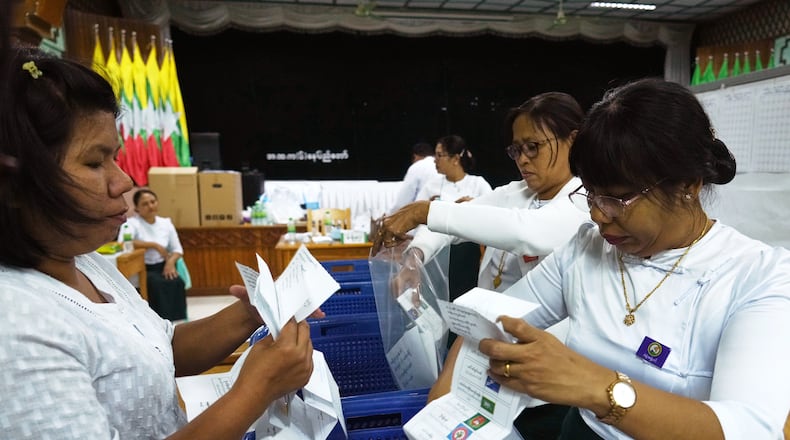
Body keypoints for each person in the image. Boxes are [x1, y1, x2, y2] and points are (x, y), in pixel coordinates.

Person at [0, 48, 317, 439]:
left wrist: (250, 313)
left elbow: (159, 348)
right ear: (14, 184)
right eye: (95, 164)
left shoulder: (84, 261)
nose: (123, 183)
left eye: (115, 159)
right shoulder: (14, 322)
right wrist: (255, 390)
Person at [474, 78, 790, 438]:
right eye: (590, 194)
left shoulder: (757, 277)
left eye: (617, 198)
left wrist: (594, 385)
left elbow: (750, 429)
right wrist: (447, 404)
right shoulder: (587, 249)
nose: (598, 215)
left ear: (687, 184)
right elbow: (493, 317)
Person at [375, 92, 589, 438]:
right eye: (516, 149)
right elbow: (453, 227)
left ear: (574, 140)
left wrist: (423, 211)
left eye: (533, 146)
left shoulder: (583, 201)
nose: (523, 159)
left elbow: (526, 233)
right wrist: (415, 257)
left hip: (543, 382)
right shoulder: (515, 194)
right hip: (484, 355)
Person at [120, 188, 188, 321]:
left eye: (153, 202)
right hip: (143, 268)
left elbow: (177, 249)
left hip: (163, 265)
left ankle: (177, 321)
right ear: (137, 208)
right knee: (156, 284)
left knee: (177, 281)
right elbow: (124, 242)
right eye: (145, 204)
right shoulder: (131, 224)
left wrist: (170, 263)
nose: (150, 206)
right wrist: (153, 245)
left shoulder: (166, 223)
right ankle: (159, 321)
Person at [388, 141, 441, 214]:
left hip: (423, 215)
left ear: (415, 156)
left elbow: (403, 200)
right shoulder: (443, 166)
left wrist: (389, 215)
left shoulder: (417, 166)